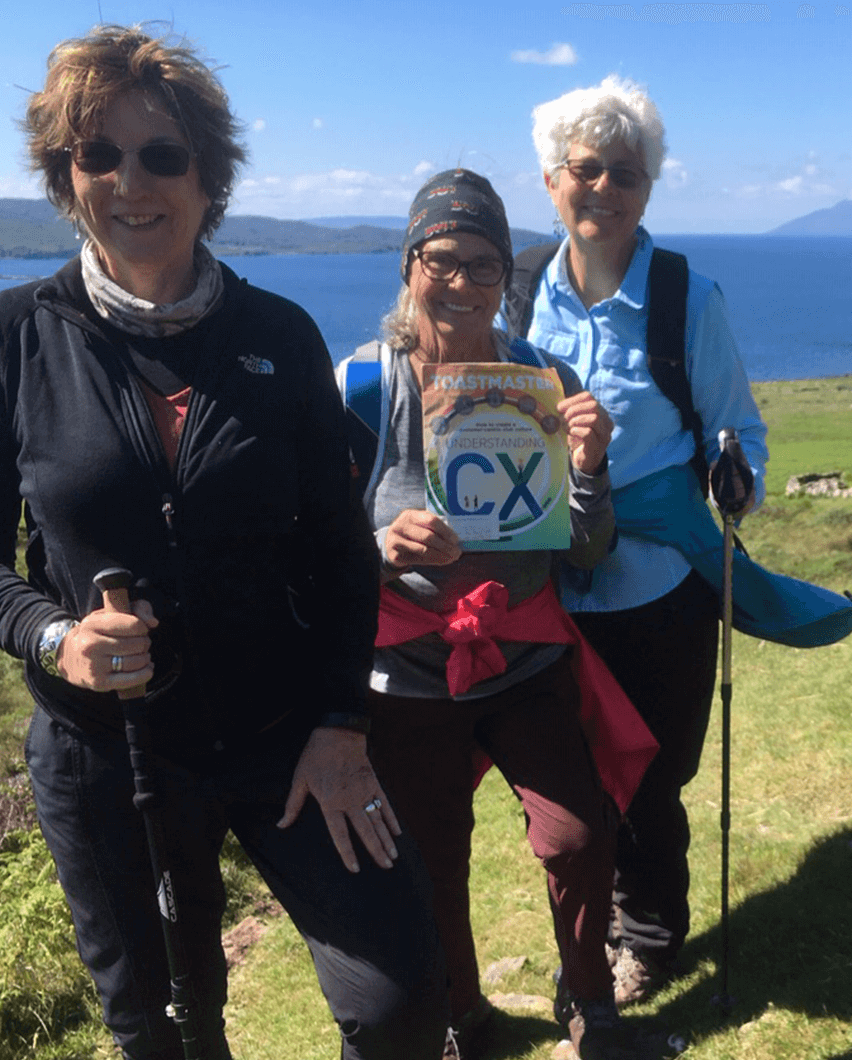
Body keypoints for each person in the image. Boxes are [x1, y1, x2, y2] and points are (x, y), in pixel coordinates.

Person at [0, 26, 445, 1060]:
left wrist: (342, 724)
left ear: (210, 177)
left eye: (164, 154)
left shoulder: (280, 336)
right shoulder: (7, 336)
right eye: (97, 155)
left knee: (399, 1004)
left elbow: (342, 556)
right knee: (167, 1032)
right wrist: (51, 633)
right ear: (65, 176)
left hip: (289, 733)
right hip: (105, 755)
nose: (131, 180)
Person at [348, 168, 662, 1060]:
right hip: (405, 672)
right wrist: (379, 545)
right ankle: (462, 1016)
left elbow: (587, 549)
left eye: (484, 265)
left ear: (505, 281)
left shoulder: (543, 381)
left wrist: (592, 468)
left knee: (576, 835)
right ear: (409, 264)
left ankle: (588, 999)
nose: (461, 282)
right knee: (434, 854)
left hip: (525, 656)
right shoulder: (359, 388)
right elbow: (308, 538)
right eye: (441, 259)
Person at [512, 75, 772, 1006]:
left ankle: (649, 939)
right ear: (552, 179)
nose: (605, 189)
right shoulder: (515, 299)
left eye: (627, 172)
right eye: (587, 169)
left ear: (647, 189)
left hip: (658, 587)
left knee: (652, 779)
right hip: (545, 584)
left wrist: (736, 482)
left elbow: (739, 427)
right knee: (567, 786)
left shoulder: (685, 299)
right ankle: (593, 938)